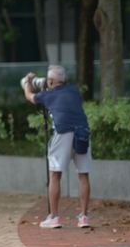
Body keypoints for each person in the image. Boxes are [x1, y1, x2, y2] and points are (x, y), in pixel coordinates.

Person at [21, 64, 91, 229]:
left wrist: (27, 81)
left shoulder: (48, 95)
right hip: (83, 131)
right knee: (83, 175)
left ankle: (54, 218)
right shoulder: (74, 90)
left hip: (63, 133)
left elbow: (29, 96)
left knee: (55, 175)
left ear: (50, 81)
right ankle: (84, 218)